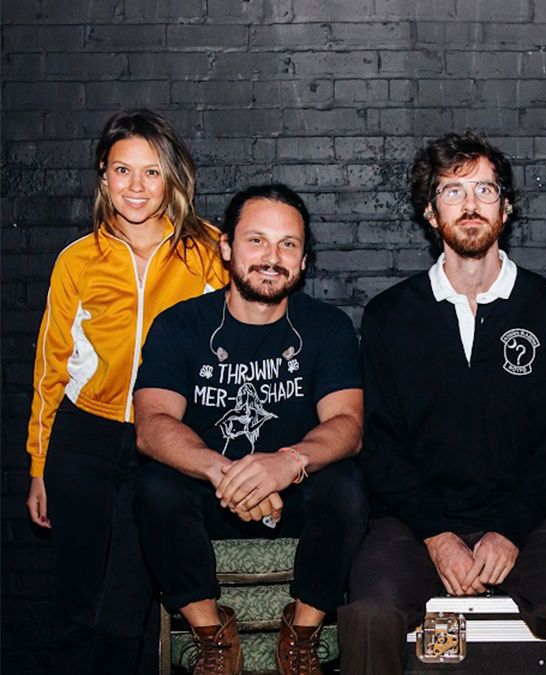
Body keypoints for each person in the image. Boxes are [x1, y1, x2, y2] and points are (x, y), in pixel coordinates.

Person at [339, 131, 546, 674]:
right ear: (429, 211)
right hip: (412, 525)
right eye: (452, 191)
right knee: (368, 613)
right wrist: (437, 536)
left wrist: (510, 529)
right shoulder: (390, 315)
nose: (470, 204)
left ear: (506, 207)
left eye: (485, 189)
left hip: (524, 520)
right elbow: (381, 445)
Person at [132, 184, 368, 675]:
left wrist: (285, 465)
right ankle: (212, 638)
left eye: (288, 244)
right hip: (211, 495)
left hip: (294, 497)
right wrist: (226, 473)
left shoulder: (327, 328)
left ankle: (301, 637)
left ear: (304, 260)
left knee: (347, 486)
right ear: (227, 248)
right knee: (154, 486)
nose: (272, 257)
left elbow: (348, 425)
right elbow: (152, 424)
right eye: (256, 240)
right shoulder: (180, 325)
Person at [23, 109, 227, 673]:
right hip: (83, 442)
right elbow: (50, 370)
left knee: (123, 616)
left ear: (172, 178)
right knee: (74, 610)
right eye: (122, 171)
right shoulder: (77, 260)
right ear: (103, 177)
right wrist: (40, 465)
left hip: (162, 445)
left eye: (151, 172)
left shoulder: (210, 253)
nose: (136, 187)